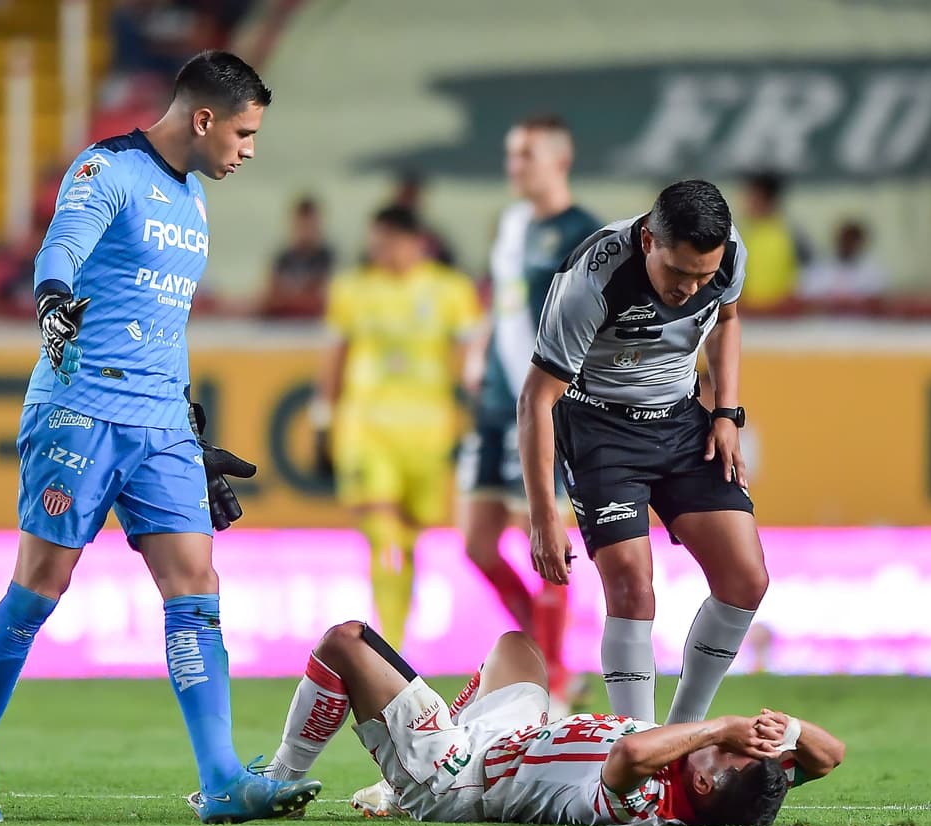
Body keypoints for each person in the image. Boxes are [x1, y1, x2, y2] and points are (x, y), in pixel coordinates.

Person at [0, 50, 320, 826]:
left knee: (197, 591)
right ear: (204, 118)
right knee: (39, 589)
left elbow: (163, 318)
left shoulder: (193, 197)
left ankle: (220, 781)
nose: (249, 150)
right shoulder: (106, 168)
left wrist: (188, 424)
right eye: (244, 133)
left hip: (162, 424)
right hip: (82, 408)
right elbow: (61, 250)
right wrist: (51, 302)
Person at [518, 180, 767, 728]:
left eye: (703, 275)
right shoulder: (591, 280)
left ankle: (677, 735)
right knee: (632, 588)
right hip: (600, 430)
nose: (690, 287)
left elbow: (726, 321)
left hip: (681, 423)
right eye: (679, 273)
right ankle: (636, 745)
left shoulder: (729, 253)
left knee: (746, 579)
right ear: (649, 239)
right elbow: (537, 398)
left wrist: (726, 413)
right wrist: (542, 514)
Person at [265, 621, 845, 826]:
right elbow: (832, 755)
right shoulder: (732, 787)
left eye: (727, 751)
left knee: (347, 642)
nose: (735, 739)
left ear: (702, 782)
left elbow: (626, 758)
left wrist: (720, 727)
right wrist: (784, 733)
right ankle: (408, 755)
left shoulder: (649, 805)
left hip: (462, 779)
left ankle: (276, 779)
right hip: (509, 740)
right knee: (518, 647)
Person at [457, 115, 599, 716]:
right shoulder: (512, 223)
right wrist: (479, 343)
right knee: (477, 541)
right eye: (512, 154)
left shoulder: (584, 233)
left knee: (541, 540)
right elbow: (503, 293)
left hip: (544, 406)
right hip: (494, 404)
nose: (515, 166)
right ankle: (540, 653)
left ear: (560, 160)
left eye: (526, 155)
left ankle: (556, 675)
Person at [311, 205, 480, 650]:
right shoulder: (353, 288)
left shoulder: (450, 290)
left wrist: (483, 417)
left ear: (414, 242)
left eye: (386, 242)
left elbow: (472, 361)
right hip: (367, 429)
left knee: (406, 539)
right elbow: (336, 355)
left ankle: (397, 637)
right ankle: (389, 639)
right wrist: (322, 418)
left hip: (428, 434)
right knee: (382, 533)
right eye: (375, 242)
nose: (377, 251)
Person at [734, 173, 803, 311]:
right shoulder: (739, 236)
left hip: (781, 319)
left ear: (767, 200)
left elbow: (806, 283)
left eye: (752, 197)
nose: (746, 203)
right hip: (748, 318)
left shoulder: (790, 236)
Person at [259, 196, 335, 319]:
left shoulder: (328, 257)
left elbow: (324, 302)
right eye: (300, 225)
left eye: (309, 225)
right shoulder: (282, 258)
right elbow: (266, 299)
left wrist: (286, 298)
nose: (304, 231)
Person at [799, 219, 886, 302]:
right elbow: (807, 296)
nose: (849, 244)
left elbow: (878, 300)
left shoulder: (873, 272)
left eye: (854, 241)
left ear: (862, 243)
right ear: (838, 239)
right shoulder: (820, 268)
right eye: (846, 239)